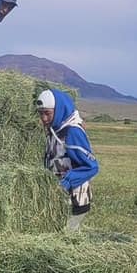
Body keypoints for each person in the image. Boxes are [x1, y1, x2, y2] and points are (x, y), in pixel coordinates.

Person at [36, 88, 98, 232]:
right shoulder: (55, 130)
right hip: (60, 198)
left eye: (47, 113)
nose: (44, 118)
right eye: (40, 113)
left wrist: (67, 182)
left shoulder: (72, 132)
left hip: (75, 199)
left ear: (58, 110)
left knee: (65, 237)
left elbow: (92, 167)